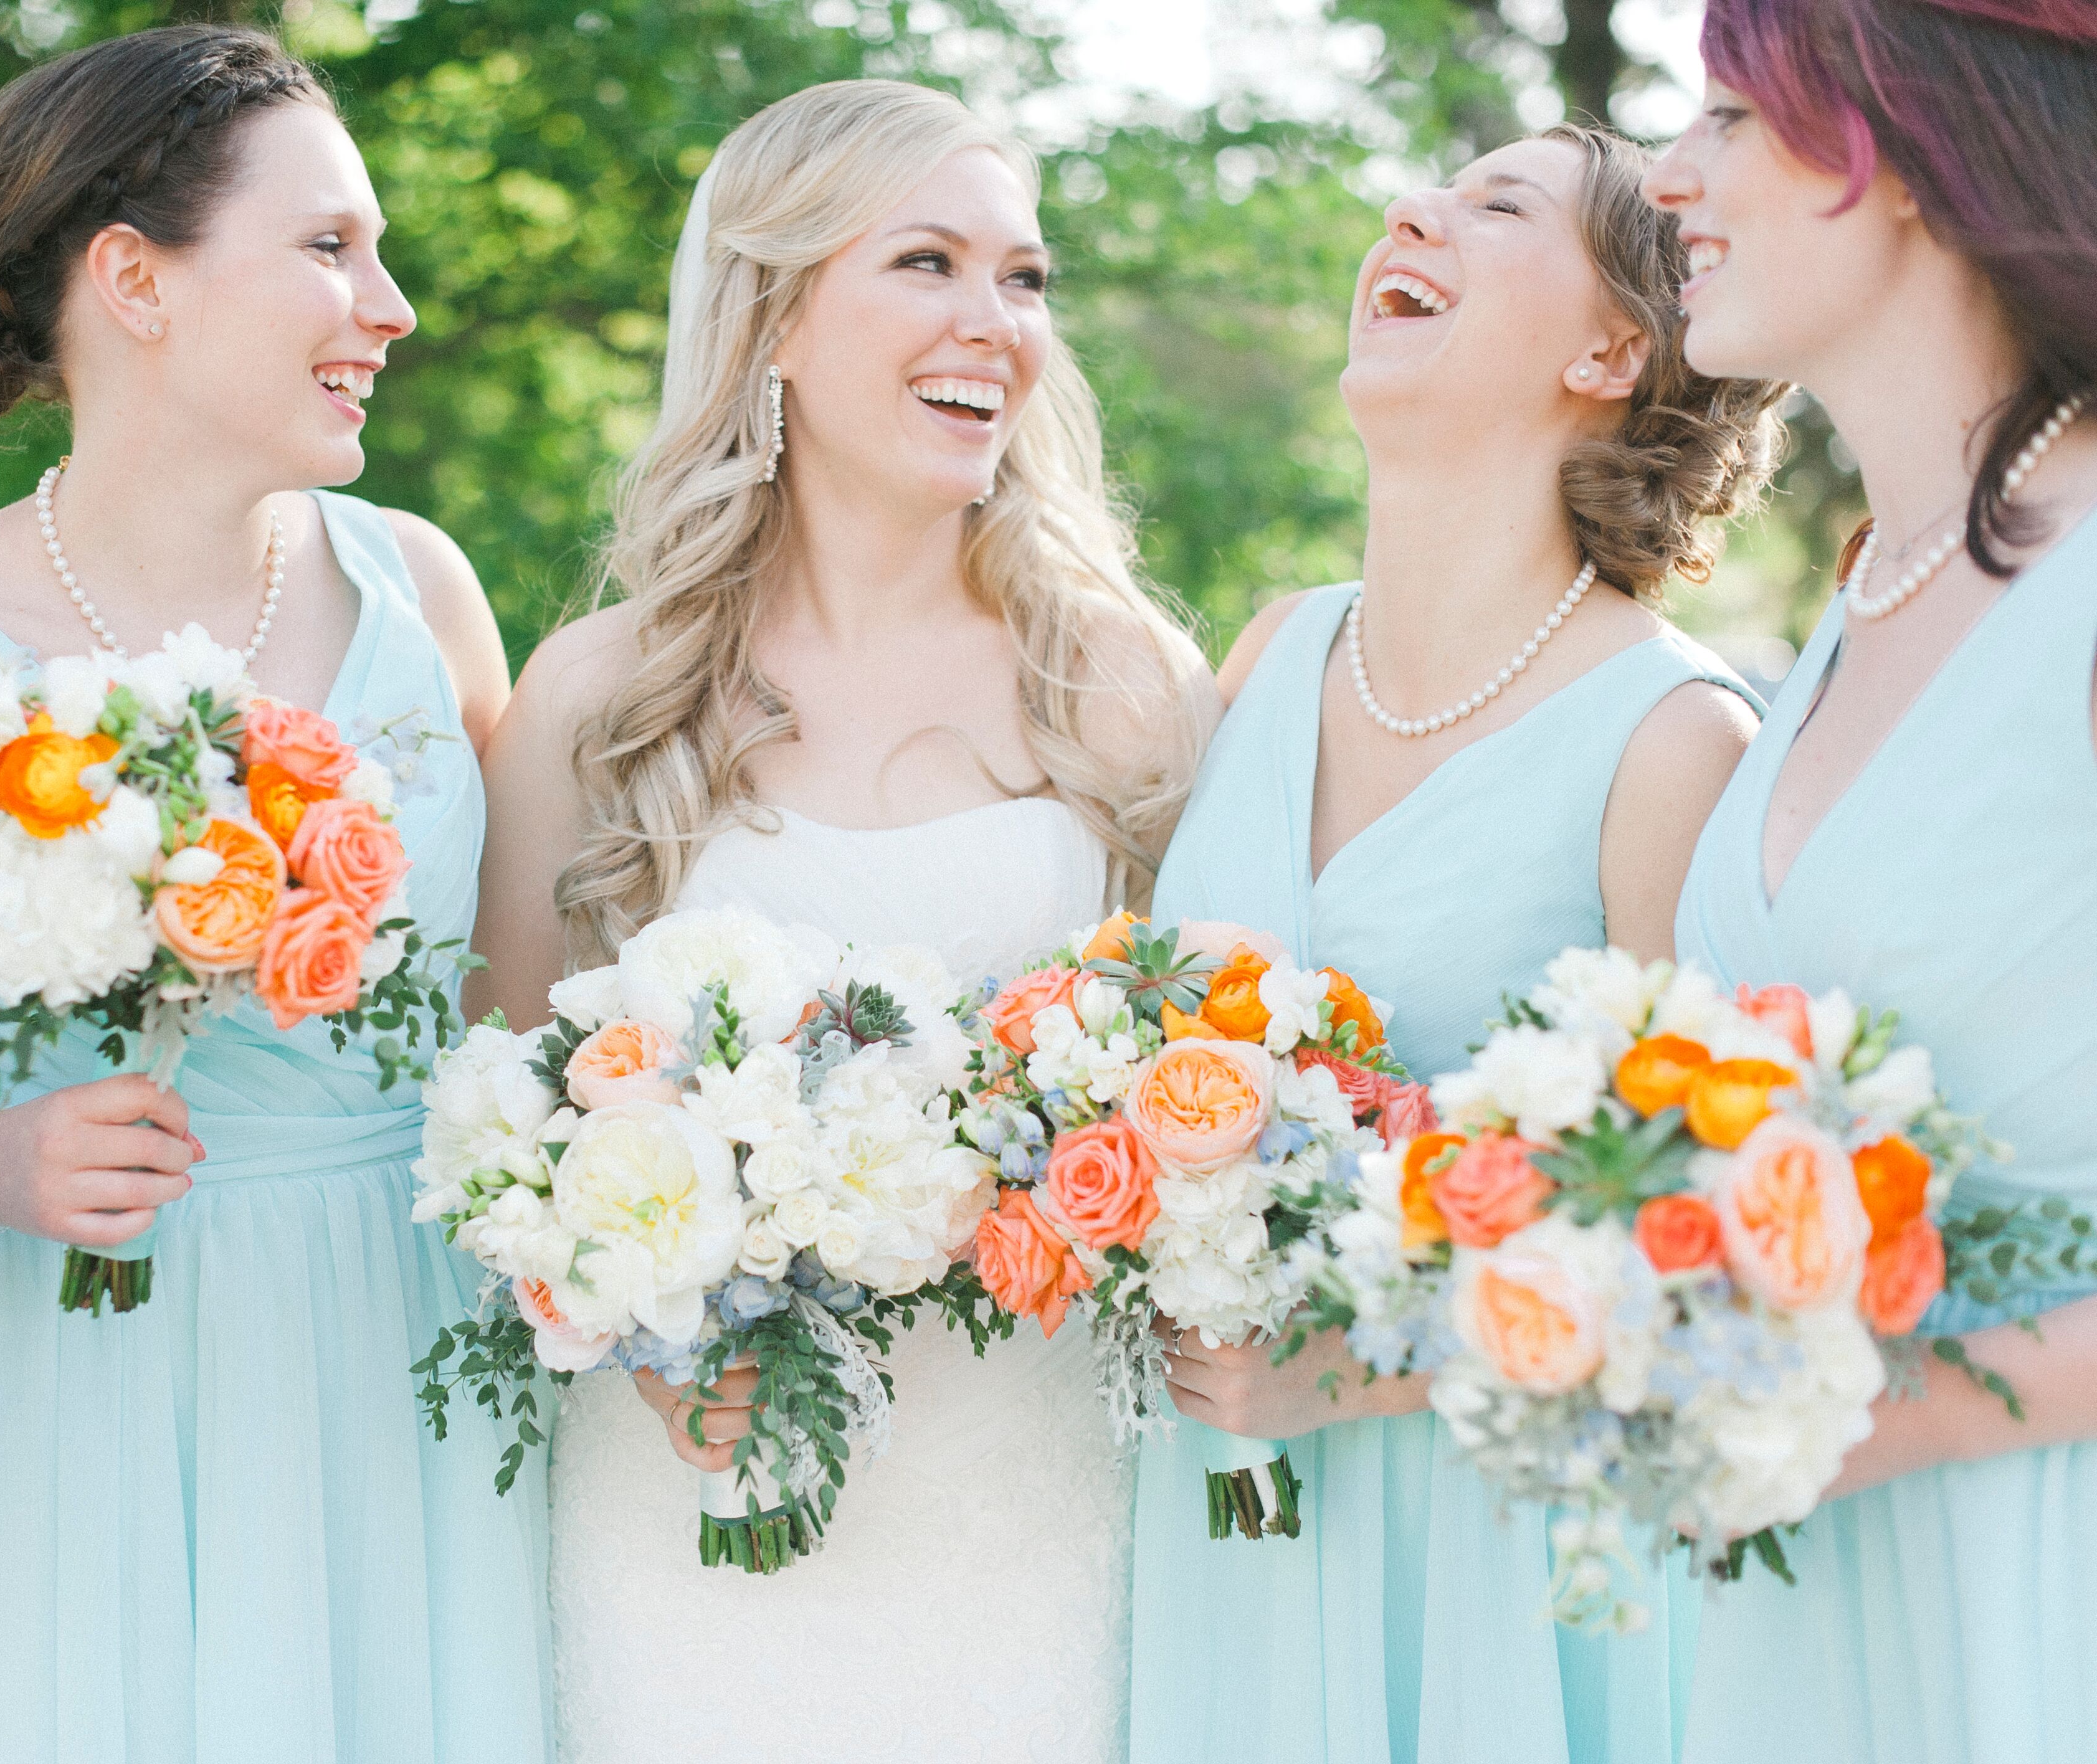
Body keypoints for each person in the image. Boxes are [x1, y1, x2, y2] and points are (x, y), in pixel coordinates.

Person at [0, 26, 545, 1761]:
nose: (388, 306)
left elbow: (526, 1039)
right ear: (135, 280)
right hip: (41, 1420)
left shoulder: (426, 594)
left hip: (397, 1387)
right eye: (331, 247)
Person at [465, 77, 1215, 1763]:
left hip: (1031, 1500)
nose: (995, 325)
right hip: (698, 1495)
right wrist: (627, 1324)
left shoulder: (1121, 684)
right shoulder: (606, 695)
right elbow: (496, 1137)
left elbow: (1196, 1108)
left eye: (1024, 279)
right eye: (930, 265)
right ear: (775, 315)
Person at [1128, 123, 1783, 1764]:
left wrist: (1368, 1371)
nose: (1410, 210)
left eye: (1498, 206)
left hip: (1501, 1560)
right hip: (1219, 1534)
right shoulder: (1271, 653)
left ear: (1612, 348)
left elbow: (1724, 1254)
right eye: (1429, 192)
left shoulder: (1675, 740)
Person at [1643, 4, 2097, 1758]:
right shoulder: (1865, 594)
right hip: (1829, 1617)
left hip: (2041, 1582)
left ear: (1903, 151)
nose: (1673, 176)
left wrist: (1883, 1418)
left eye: (1731, 121)